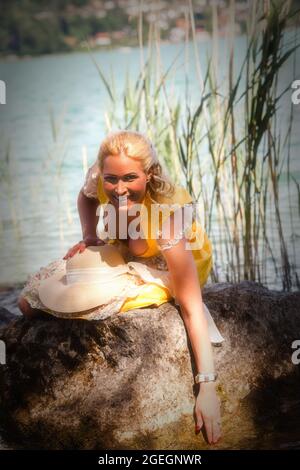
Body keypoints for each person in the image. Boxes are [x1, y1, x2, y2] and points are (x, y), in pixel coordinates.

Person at [18, 130, 223, 444]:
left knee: (137, 248)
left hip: (172, 263)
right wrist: (89, 236)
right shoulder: (100, 179)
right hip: (124, 243)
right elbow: (85, 197)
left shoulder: (168, 216)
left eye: (130, 178)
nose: (119, 189)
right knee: (29, 304)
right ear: (102, 173)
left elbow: (192, 305)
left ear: (149, 174)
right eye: (111, 179)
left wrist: (207, 387)